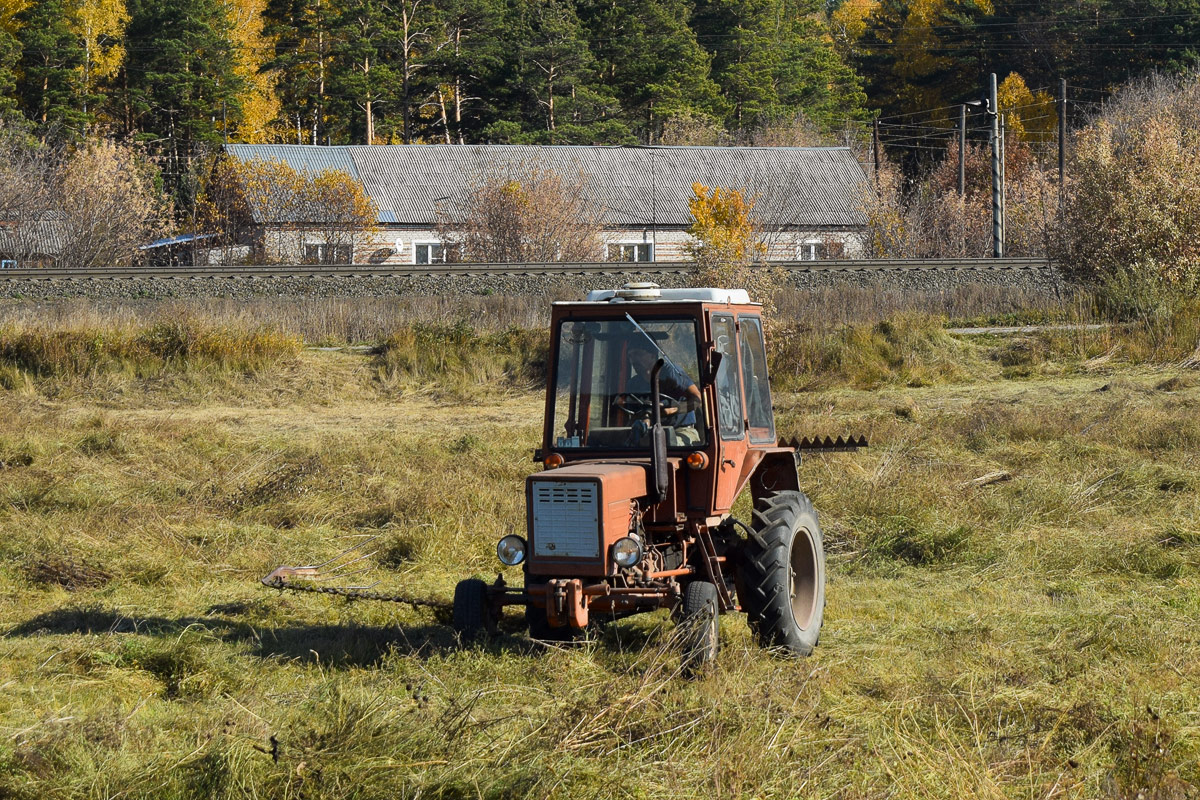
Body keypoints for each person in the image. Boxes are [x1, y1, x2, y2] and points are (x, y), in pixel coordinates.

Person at [624, 341, 704, 444]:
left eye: (638, 354)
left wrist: (673, 410)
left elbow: (697, 399)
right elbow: (634, 415)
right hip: (649, 432)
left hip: (680, 431)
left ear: (652, 355)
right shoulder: (633, 384)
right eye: (630, 356)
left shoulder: (670, 373)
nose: (633, 360)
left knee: (668, 445)